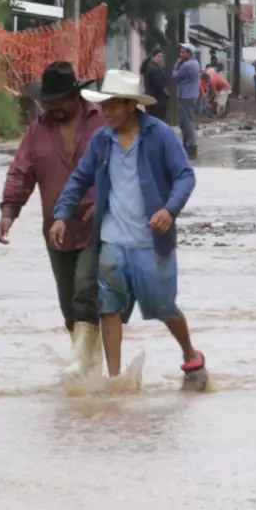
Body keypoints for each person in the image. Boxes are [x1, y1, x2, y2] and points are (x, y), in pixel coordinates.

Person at [49, 70, 203, 384]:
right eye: (104, 106)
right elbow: (79, 179)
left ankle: (189, 353)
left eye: (114, 107)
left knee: (163, 307)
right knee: (109, 308)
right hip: (112, 239)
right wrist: (62, 215)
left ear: (131, 105)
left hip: (151, 242)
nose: (106, 113)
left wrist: (169, 210)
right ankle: (115, 379)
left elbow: (185, 176)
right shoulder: (102, 140)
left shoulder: (159, 135)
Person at [0, 62, 106, 380]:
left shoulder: (101, 122)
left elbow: (124, 166)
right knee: (69, 304)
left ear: (75, 96)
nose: (52, 108)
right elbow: (21, 172)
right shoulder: (37, 131)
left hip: (97, 224)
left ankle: (80, 363)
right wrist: (8, 213)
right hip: (56, 229)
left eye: (58, 101)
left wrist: (106, 203)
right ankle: (88, 366)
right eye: (48, 102)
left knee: (86, 291)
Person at [173, 43, 201, 159]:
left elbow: (175, 75)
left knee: (187, 122)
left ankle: (190, 146)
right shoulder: (194, 63)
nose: (180, 54)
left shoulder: (187, 65)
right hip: (190, 95)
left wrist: (176, 64)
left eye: (183, 52)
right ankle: (187, 146)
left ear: (189, 53)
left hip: (186, 96)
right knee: (185, 122)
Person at [141, 47, 169, 117]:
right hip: (157, 100)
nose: (161, 59)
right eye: (159, 57)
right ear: (153, 57)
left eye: (162, 57)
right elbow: (160, 84)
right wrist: (167, 93)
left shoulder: (149, 67)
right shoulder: (155, 69)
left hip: (150, 99)